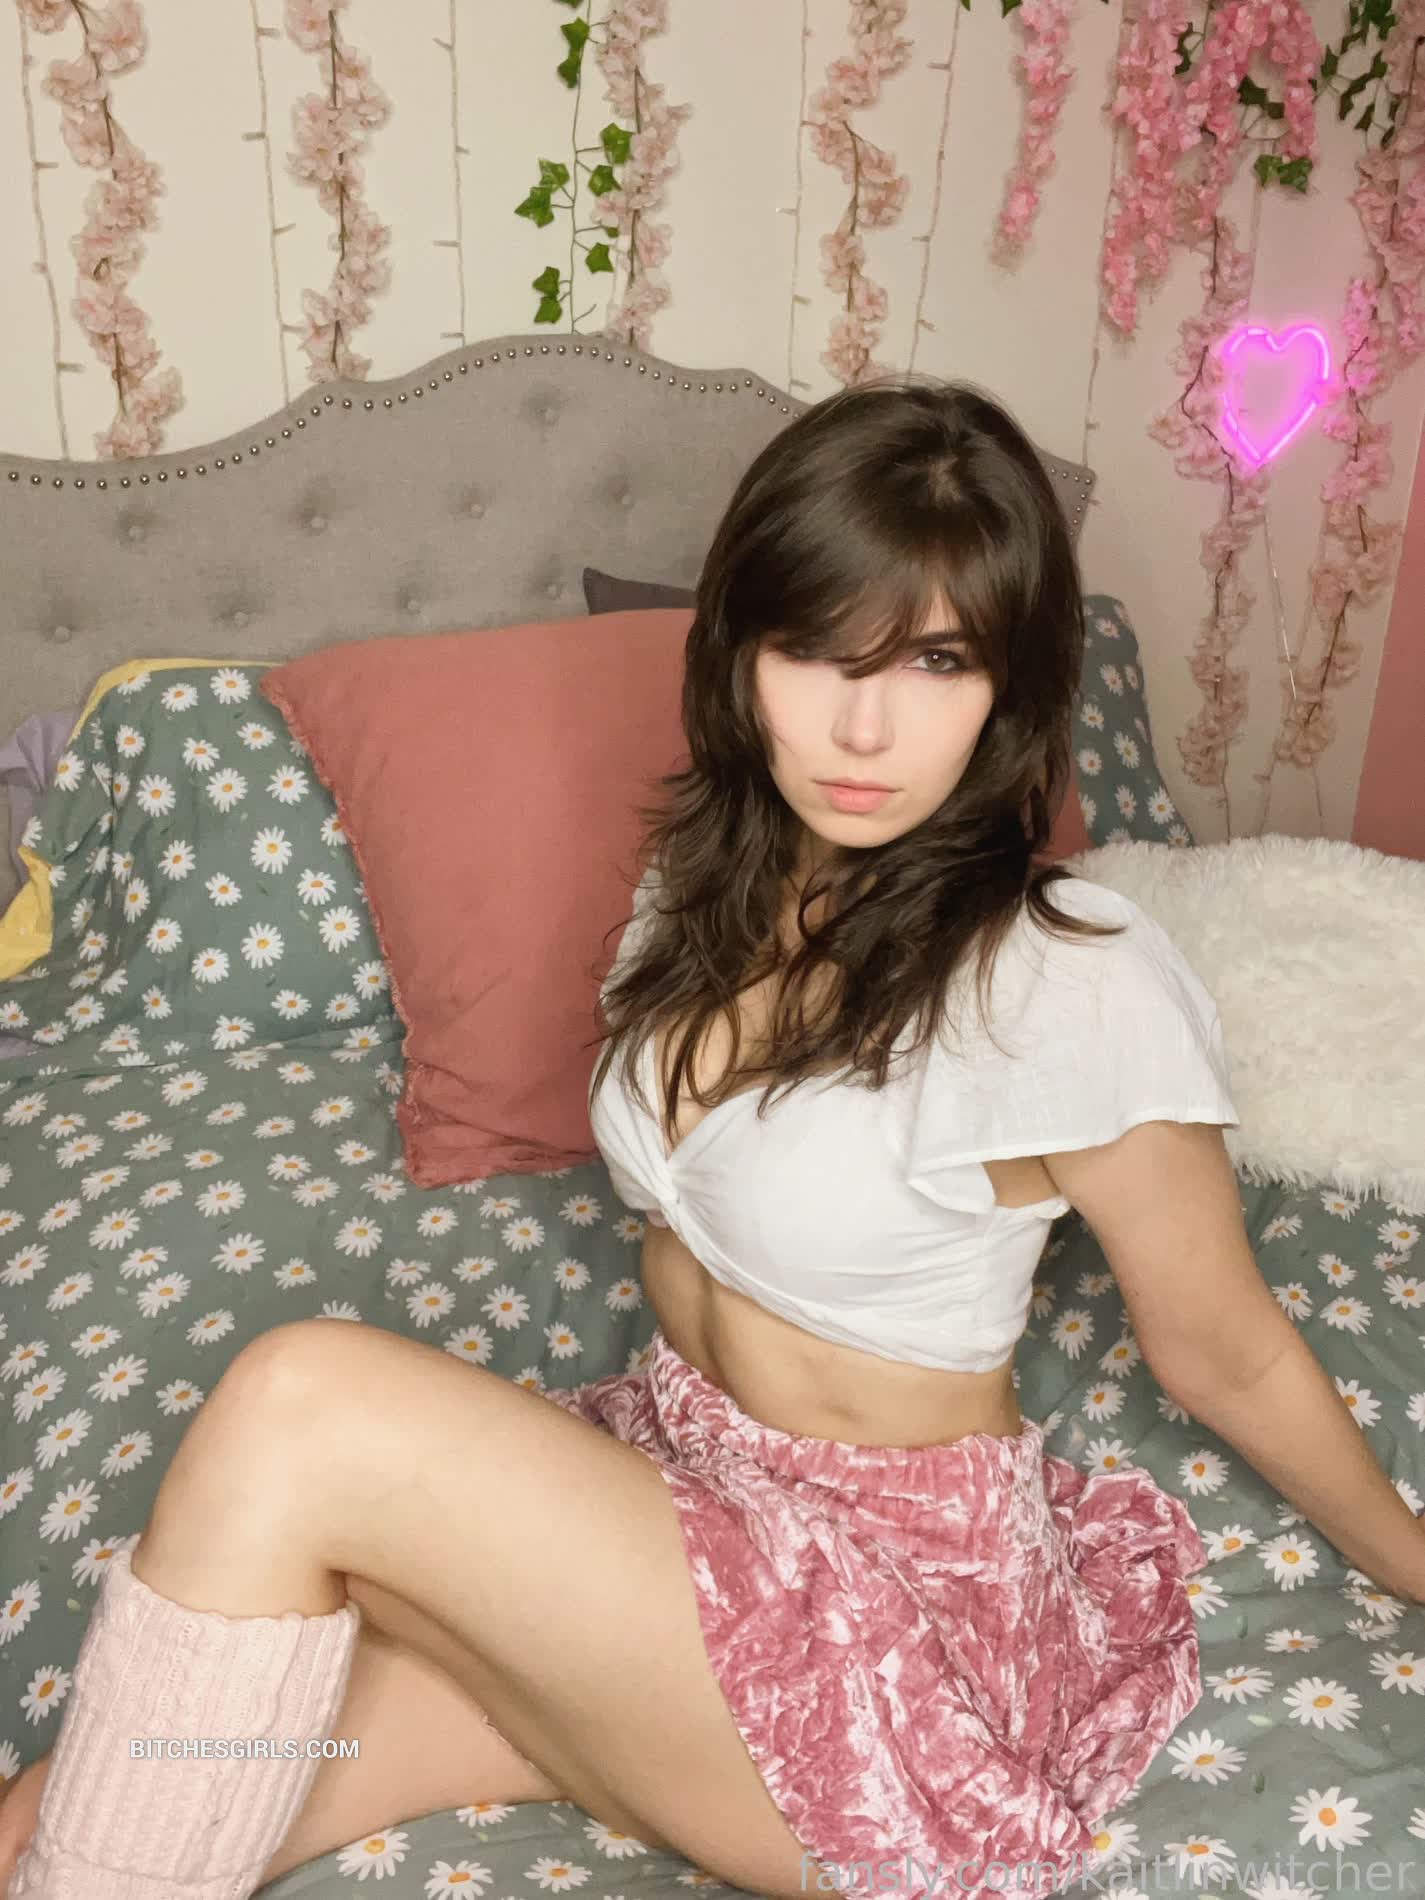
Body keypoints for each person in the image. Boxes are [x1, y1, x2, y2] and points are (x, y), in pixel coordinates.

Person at [3, 375, 1422, 1900]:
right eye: (814, 651)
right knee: (70, 1810)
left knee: (300, 1403)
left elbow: (1226, 1353)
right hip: (677, 1513)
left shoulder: (1068, 979)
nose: (862, 727)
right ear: (740, 653)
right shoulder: (710, 881)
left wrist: (1416, 1567)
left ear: (1008, 688)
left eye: (935, 662)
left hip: (877, 1628)